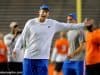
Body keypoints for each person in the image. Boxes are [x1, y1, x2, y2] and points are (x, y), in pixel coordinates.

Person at [12, 4, 92, 75]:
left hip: (43, 59)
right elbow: (23, 37)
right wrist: (16, 48)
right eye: (43, 11)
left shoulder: (53, 24)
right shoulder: (30, 23)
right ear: (39, 12)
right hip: (29, 57)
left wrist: (83, 25)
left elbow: (69, 26)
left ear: (48, 14)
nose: (44, 13)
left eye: (46, 12)